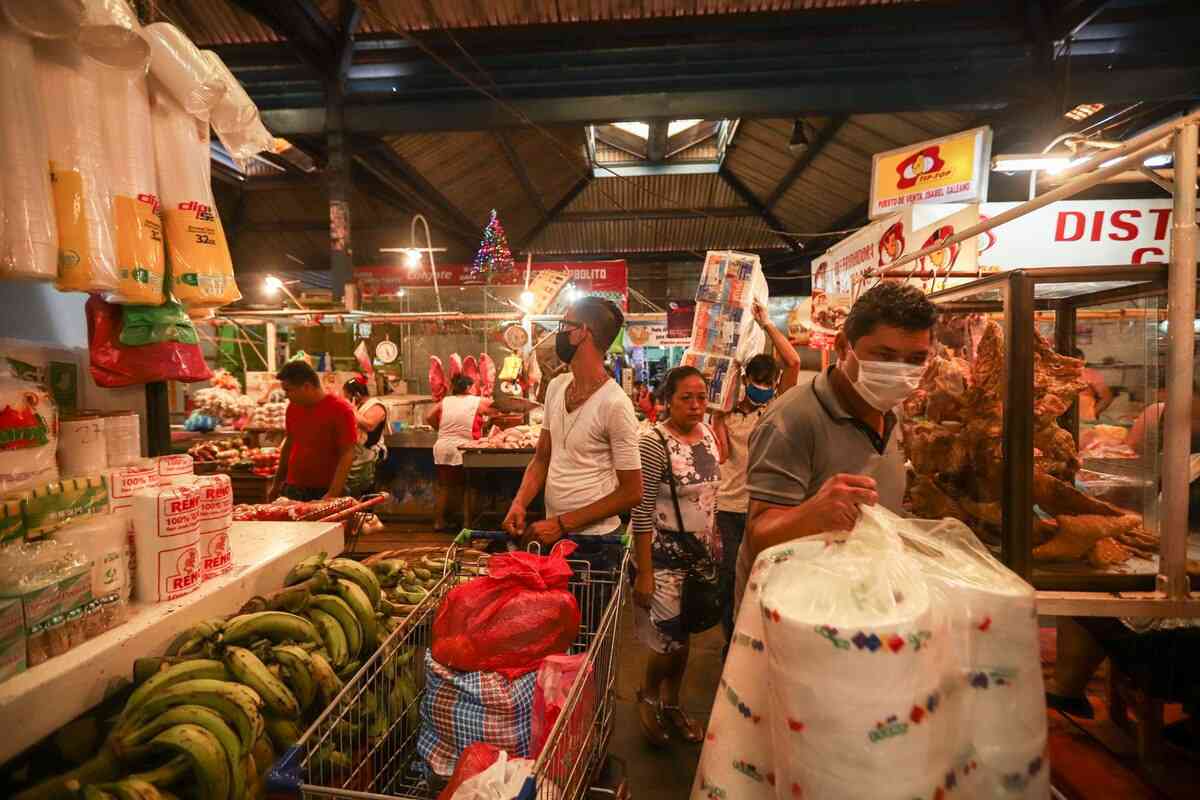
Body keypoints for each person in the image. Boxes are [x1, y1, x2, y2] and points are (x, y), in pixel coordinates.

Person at [736, 282, 938, 613]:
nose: (899, 372)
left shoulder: (899, 412)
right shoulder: (792, 420)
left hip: (869, 601)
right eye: (884, 356)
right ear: (844, 346)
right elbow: (759, 536)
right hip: (797, 612)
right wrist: (813, 513)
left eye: (915, 359)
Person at [503, 297, 642, 574]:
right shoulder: (556, 386)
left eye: (564, 324)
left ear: (582, 332)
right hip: (553, 536)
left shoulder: (615, 404)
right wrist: (520, 501)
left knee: (589, 618)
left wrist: (563, 523)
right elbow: (542, 458)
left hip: (597, 543)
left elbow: (632, 492)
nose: (559, 332)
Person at [631, 366, 726, 746]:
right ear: (667, 400)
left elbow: (711, 496)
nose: (696, 405)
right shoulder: (653, 442)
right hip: (663, 556)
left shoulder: (708, 434)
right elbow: (640, 509)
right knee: (666, 638)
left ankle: (672, 703)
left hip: (699, 555)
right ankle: (648, 697)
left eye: (701, 396)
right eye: (686, 397)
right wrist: (644, 572)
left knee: (685, 635)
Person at [711, 300, 803, 642]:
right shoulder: (727, 412)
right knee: (729, 578)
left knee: (765, 574)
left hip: (766, 506)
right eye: (757, 381)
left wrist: (766, 324)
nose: (762, 387)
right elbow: (720, 456)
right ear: (746, 379)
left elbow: (793, 361)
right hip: (729, 508)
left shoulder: (778, 406)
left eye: (769, 382)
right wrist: (717, 418)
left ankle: (759, 636)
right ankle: (731, 641)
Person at [270, 360, 358, 502]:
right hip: (293, 488)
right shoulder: (292, 408)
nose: (286, 396)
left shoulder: (341, 409)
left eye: (288, 390)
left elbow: (347, 453)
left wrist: (332, 494)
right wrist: (277, 483)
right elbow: (289, 444)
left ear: (306, 386)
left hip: (325, 489)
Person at [426, 374, 494, 532]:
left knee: (444, 487)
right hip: (466, 448)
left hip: (443, 447)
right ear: (469, 387)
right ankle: (467, 524)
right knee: (469, 486)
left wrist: (440, 430)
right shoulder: (477, 401)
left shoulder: (445, 401)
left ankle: (438, 522)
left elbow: (429, 416)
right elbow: (499, 410)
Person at [342, 376, 390, 497]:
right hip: (357, 456)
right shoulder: (358, 407)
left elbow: (369, 425)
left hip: (370, 458)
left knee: (366, 494)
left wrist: (351, 410)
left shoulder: (376, 406)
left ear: (356, 395)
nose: (346, 399)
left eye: (347, 396)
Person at [1075, 347, 1114, 421]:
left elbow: (1107, 397)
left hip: (1084, 420)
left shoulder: (1090, 374)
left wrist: (1092, 413)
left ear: (1083, 361)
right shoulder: (1057, 374)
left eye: (1078, 362)